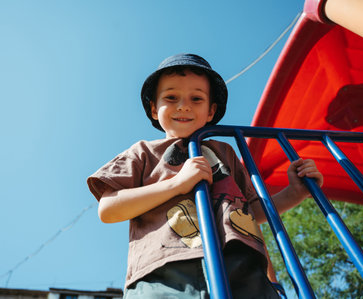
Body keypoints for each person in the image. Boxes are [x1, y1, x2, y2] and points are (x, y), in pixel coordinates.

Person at [87, 53, 323, 298]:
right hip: (164, 270)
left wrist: (295, 192)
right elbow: (109, 208)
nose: (184, 105)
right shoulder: (142, 152)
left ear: (211, 111)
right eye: (171, 97)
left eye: (196, 98)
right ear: (154, 109)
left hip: (239, 265)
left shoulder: (225, 152)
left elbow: (250, 211)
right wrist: (177, 184)